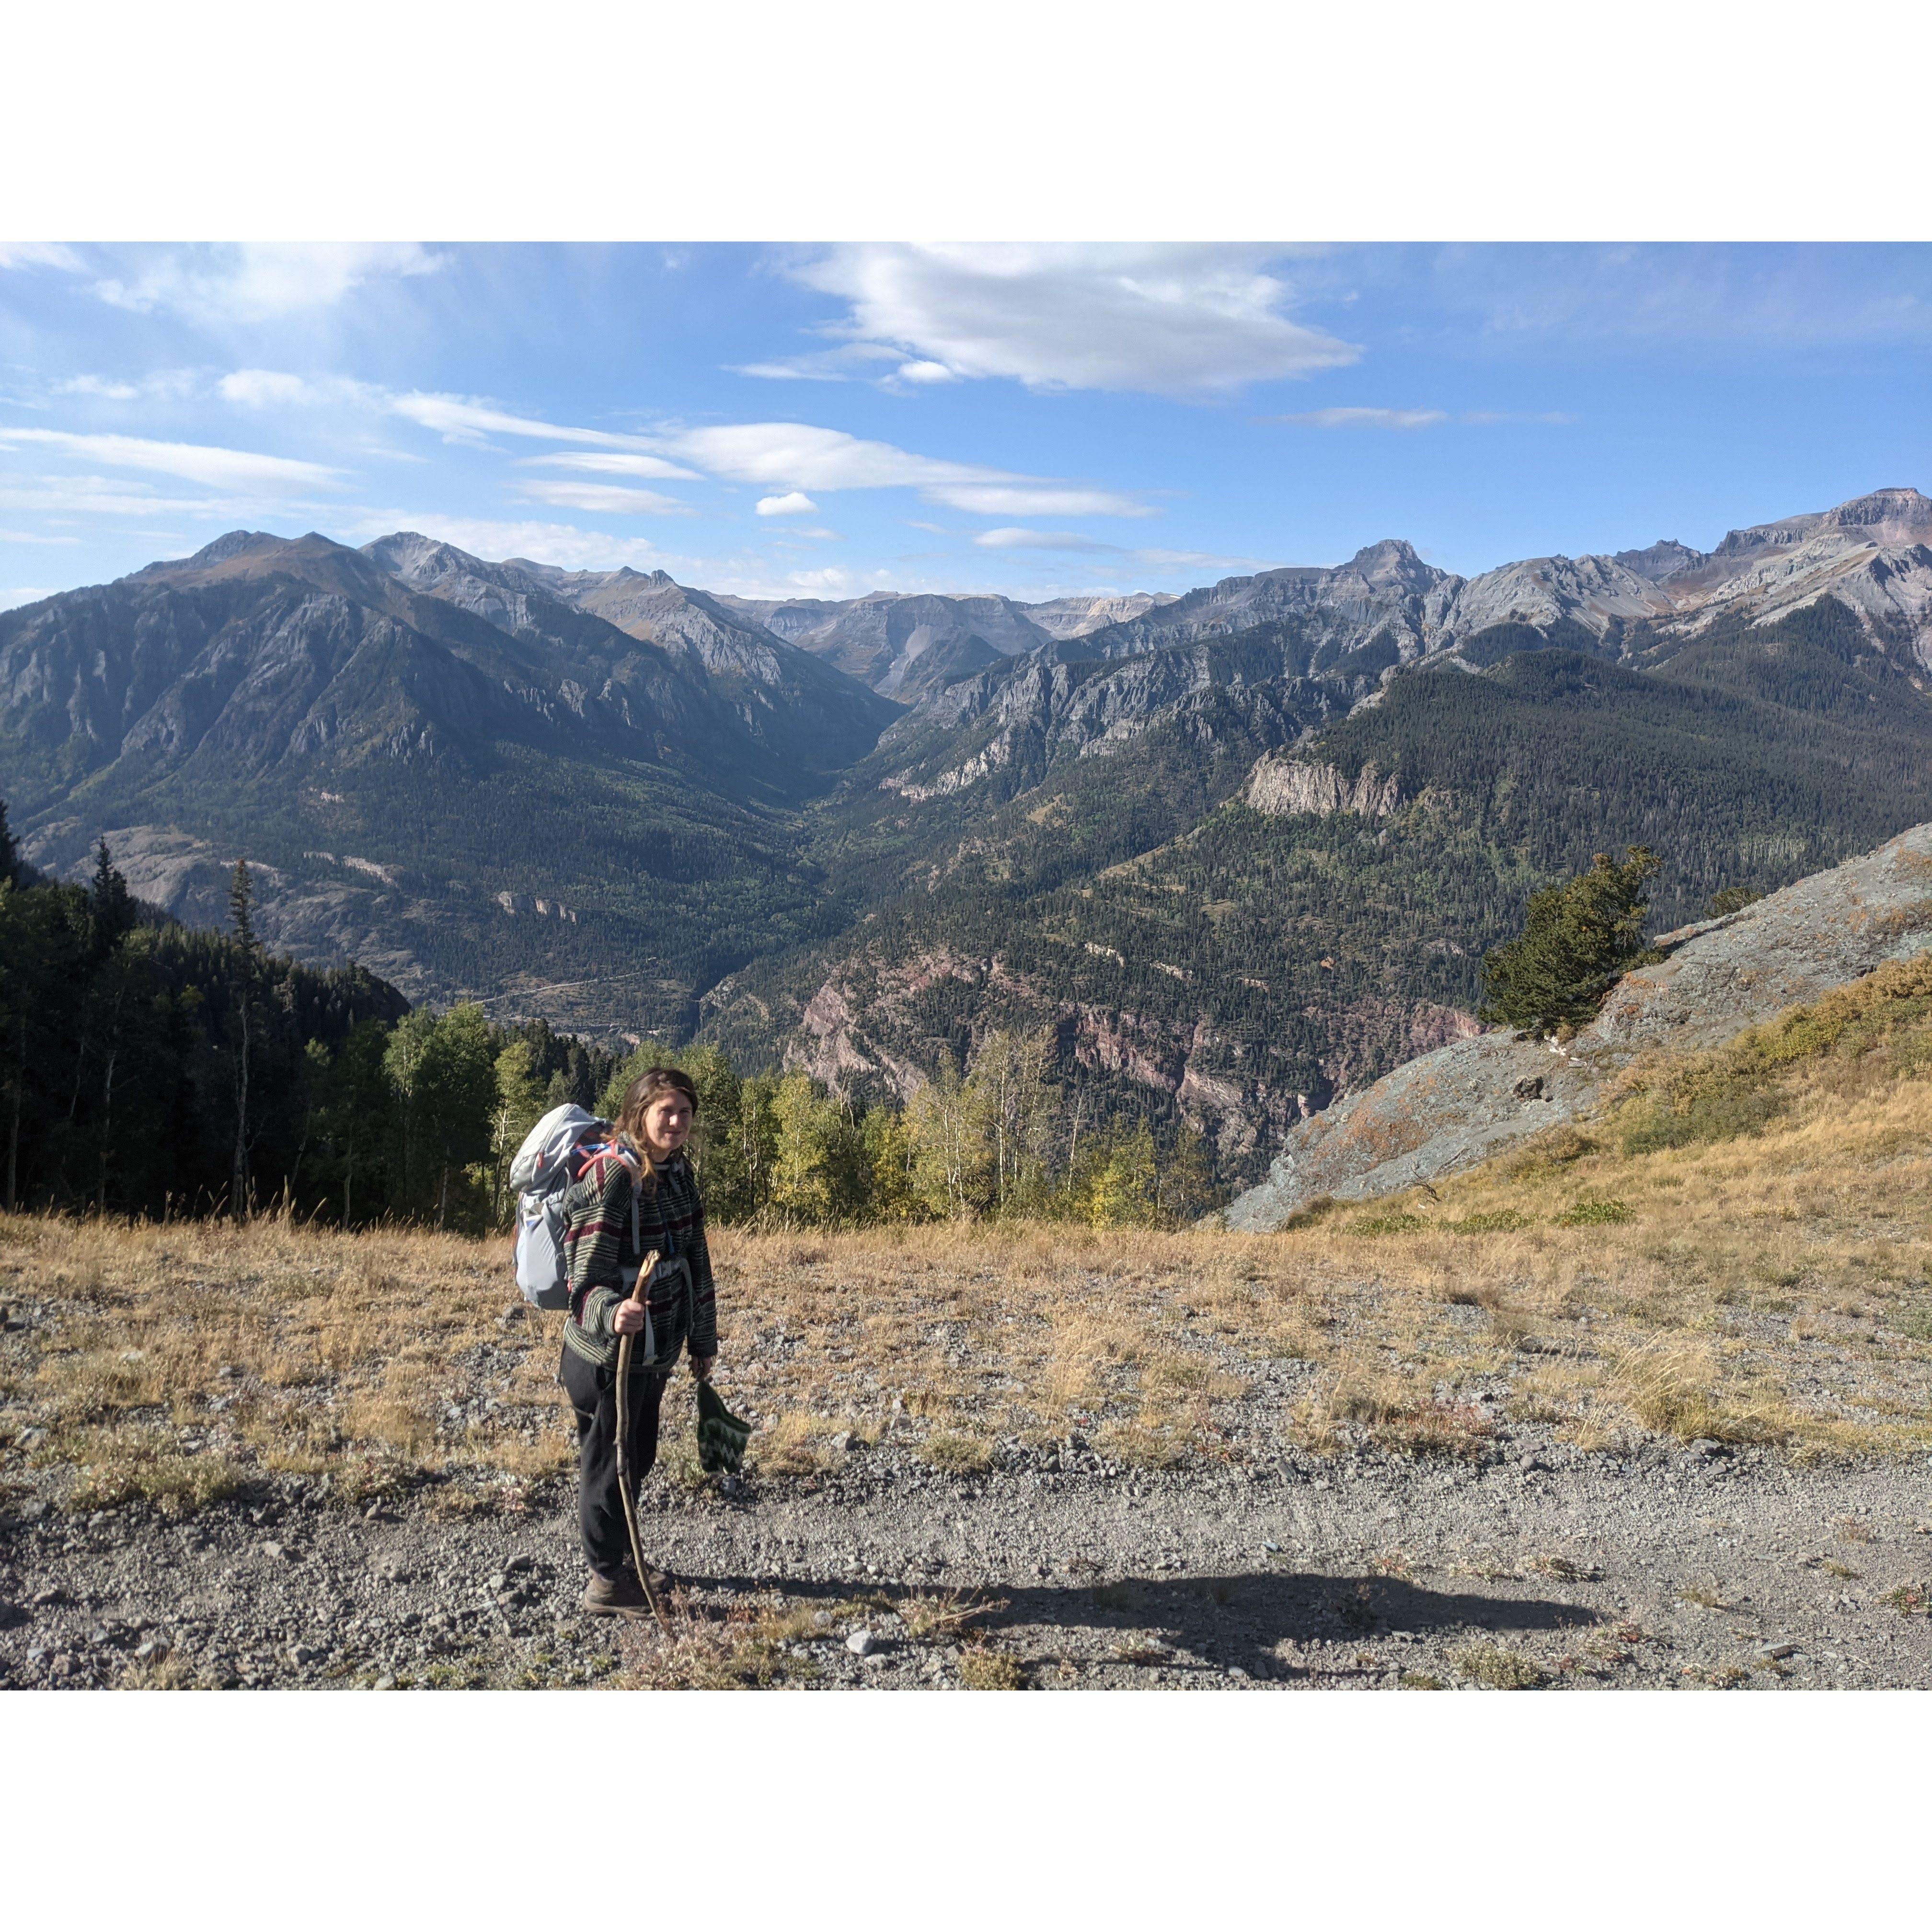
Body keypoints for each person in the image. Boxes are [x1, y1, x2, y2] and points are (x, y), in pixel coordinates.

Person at [557, 1065, 717, 1616]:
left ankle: (622, 1560)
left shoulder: (676, 1172)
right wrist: (611, 1312)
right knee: (611, 1463)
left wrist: (702, 1337)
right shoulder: (616, 1178)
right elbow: (583, 1280)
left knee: (635, 1455)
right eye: (664, 1111)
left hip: (652, 1351)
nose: (675, 1122)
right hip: (608, 1356)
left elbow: (695, 1257)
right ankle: (606, 1583)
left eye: (684, 1112)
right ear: (640, 1115)